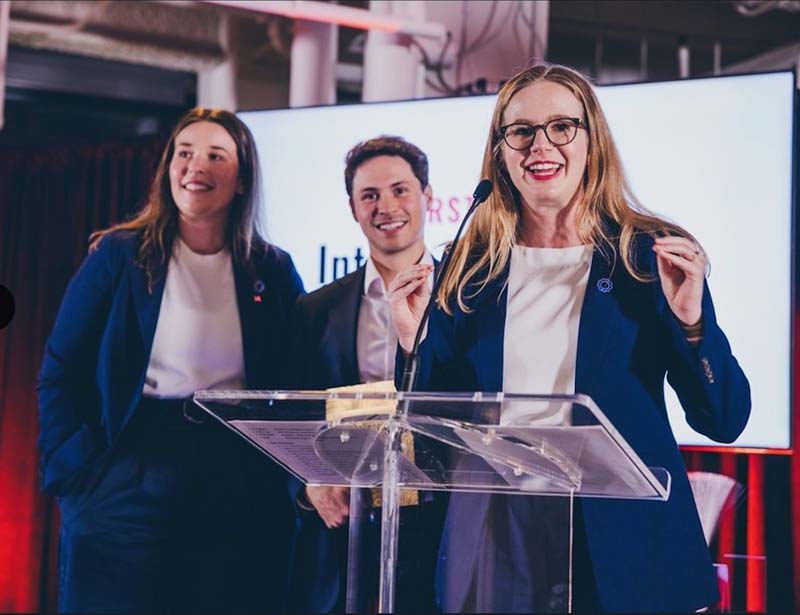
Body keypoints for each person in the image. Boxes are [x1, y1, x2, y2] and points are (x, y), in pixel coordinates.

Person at [388, 63, 751, 613]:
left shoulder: (648, 256)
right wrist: (412, 341)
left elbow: (722, 420)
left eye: (562, 126)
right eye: (522, 131)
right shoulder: (471, 268)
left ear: (592, 141)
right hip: (499, 539)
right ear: (501, 148)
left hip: (619, 540)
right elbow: (430, 429)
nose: (542, 145)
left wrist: (693, 324)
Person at [37, 107, 304, 613]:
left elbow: (298, 377)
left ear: (242, 178)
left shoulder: (271, 267)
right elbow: (60, 369)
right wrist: (74, 475)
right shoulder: (119, 255)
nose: (195, 166)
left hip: (236, 475)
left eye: (214, 155)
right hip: (128, 469)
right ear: (168, 169)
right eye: (184, 153)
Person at [286, 136, 443, 613]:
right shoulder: (316, 309)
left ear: (427, 198)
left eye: (400, 190)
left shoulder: (468, 299)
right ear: (353, 209)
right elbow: (293, 415)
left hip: (443, 527)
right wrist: (308, 483)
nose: (386, 207)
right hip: (348, 529)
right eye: (369, 196)